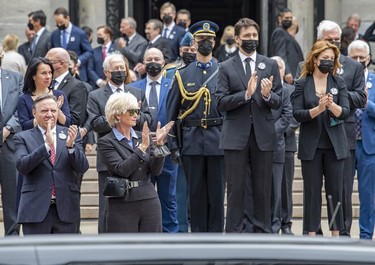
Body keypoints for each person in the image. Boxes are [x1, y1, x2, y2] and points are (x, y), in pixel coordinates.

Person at [216, 18, 282, 233]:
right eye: (247, 36)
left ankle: (262, 232)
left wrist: (267, 94)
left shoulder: (269, 64)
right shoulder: (225, 66)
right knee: (235, 188)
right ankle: (234, 232)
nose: (252, 40)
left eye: (254, 36)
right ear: (237, 39)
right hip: (236, 135)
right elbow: (221, 102)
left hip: (263, 134)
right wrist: (245, 94)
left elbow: (279, 100)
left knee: (263, 188)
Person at [167, 20, 225, 232]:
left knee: (217, 195)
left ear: (215, 41)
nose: (206, 43)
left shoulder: (223, 71)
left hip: (218, 140)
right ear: (194, 42)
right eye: (201, 39)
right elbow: (171, 113)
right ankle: (199, 238)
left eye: (209, 39)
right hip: (191, 141)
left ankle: (217, 238)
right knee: (196, 195)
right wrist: (173, 145)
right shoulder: (182, 75)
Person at [86, 52, 151, 233]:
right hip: (110, 158)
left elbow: (147, 119)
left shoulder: (136, 92)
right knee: (107, 207)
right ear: (106, 72)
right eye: (116, 69)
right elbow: (95, 123)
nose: (120, 71)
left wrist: (132, 113)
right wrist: (118, 115)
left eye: (122, 68)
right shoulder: (95, 95)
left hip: (136, 156)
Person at [293, 40, 350, 236]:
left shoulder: (338, 82)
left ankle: (336, 234)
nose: (328, 62)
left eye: (331, 59)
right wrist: (318, 109)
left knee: (335, 193)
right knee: (311, 193)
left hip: (335, 147)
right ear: (315, 59)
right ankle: (310, 234)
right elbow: (297, 113)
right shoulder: (302, 83)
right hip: (312, 146)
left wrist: (331, 106)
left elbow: (345, 112)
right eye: (324, 58)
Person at [316, 20, 366, 237]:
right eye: (330, 40)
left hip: (342, 136)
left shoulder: (352, 66)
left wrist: (338, 97)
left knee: (342, 190)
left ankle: (342, 233)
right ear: (319, 40)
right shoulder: (306, 65)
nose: (335, 44)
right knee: (313, 189)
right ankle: (313, 231)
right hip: (315, 135)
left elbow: (362, 97)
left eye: (337, 40)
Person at [97, 92, 173, 232]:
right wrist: (142, 148)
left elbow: (156, 171)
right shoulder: (106, 142)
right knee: (124, 250)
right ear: (118, 114)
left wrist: (159, 146)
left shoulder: (141, 137)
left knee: (151, 248)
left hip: (148, 198)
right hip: (122, 202)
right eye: (131, 111)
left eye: (137, 111)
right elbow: (122, 169)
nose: (136, 115)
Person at [14, 93, 88, 234]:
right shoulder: (22, 137)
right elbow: (22, 166)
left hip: (66, 209)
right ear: (34, 113)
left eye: (53, 111)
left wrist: (71, 148)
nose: (49, 114)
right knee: (36, 255)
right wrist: (46, 147)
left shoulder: (71, 133)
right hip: (35, 210)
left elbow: (82, 167)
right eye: (44, 111)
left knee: (66, 255)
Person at [130, 48, 179, 233]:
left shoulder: (174, 84)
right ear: (143, 63)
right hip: (142, 151)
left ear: (164, 62)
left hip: (166, 149)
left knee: (169, 199)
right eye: (149, 59)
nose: (153, 62)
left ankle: (170, 239)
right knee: (143, 198)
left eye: (156, 59)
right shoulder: (134, 87)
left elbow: (178, 115)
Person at [348, 40, 375, 239]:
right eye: (354, 58)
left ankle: (365, 235)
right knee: (342, 192)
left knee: (368, 195)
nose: (358, 61)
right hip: (345, 144)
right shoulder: (341, 80)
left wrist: (367, 103)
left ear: (369, 59)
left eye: (361, 58)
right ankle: (343, 233)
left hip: (368, 146)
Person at [0, 44, 23, 236]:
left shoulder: (15, 78)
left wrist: (8, 129)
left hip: (9, 144)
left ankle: (13, 236)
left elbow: (20, 108)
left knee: (12, 195)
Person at [269, 56, 293, 234]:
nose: (277, 70)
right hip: (266, 145)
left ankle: (285, 223)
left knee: (284, 188)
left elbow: (293, 117)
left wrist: (278, 131)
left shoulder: (291, 90)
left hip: (286, 143)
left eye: (280, 67)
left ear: (284, 71)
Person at [46, 47, 88, 127]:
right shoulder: (47, 82)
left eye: (49, 61)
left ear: (61, 64)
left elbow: (76, 119)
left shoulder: (77, 86)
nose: (45, 64)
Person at [50, 7, 93, 82]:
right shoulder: (55, 34)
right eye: (57, 23)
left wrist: (78, 61)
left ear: (67, 18)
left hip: (77, 72)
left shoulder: (80, 33)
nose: (59, 25)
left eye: (61, 22)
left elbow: (89, 51)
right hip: (59, 74)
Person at [269, 8, 304, 84]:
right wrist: (287, 72)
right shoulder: (279, 32)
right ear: (280, 19)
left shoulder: (286, 33)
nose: (289, 20)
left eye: (291, 18)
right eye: (287, 18)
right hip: (289, 75)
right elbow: (281, 54)